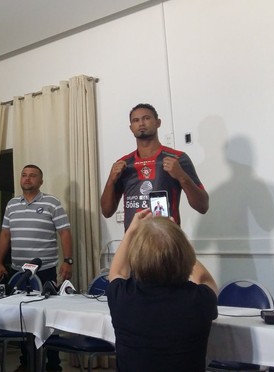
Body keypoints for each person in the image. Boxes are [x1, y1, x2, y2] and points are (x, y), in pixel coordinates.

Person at [107, 209, 218, 371]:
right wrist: (177, 240)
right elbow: (205, 280)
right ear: (185, 254)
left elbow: (117, 272)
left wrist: (131, 231)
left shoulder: (122, 297)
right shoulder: (199, 300)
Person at [0, 164, 72, 372]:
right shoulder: (11, 204)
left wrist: (68, 261)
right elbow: (4, 235)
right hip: (18, 272)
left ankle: (53, 365)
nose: (27, 179)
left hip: (44, 269)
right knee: (22, 317)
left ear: (41, 181)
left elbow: (64, 232)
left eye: (33, 176)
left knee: (47, 317)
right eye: (24, 175)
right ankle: (26, 362)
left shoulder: (52, 203)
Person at [100, 103, 209, 229]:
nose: (141, 123)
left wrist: (182, 176)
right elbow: (106, 212)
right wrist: (110, 180)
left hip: (167, 239)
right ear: (131, 128)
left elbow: (203, 206)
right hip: (134, 242)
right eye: (136, 120)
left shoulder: (178, 158)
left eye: (146, 118)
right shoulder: (123, 164)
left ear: (158, 122)